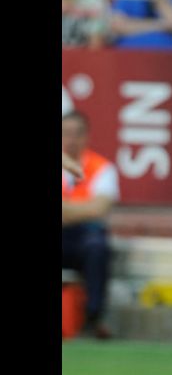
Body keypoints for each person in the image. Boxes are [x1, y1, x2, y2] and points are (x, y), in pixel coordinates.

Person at [62, 111, 121, 339]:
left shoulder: (101, 167)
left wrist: (66, 211)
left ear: (87, 137)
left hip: (84, 235)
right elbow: (90, 206)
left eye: (77, 134)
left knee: (97, 247)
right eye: (66, 133)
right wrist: (80, 209)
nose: (71, 140)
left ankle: (94, 317)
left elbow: (99, 209)